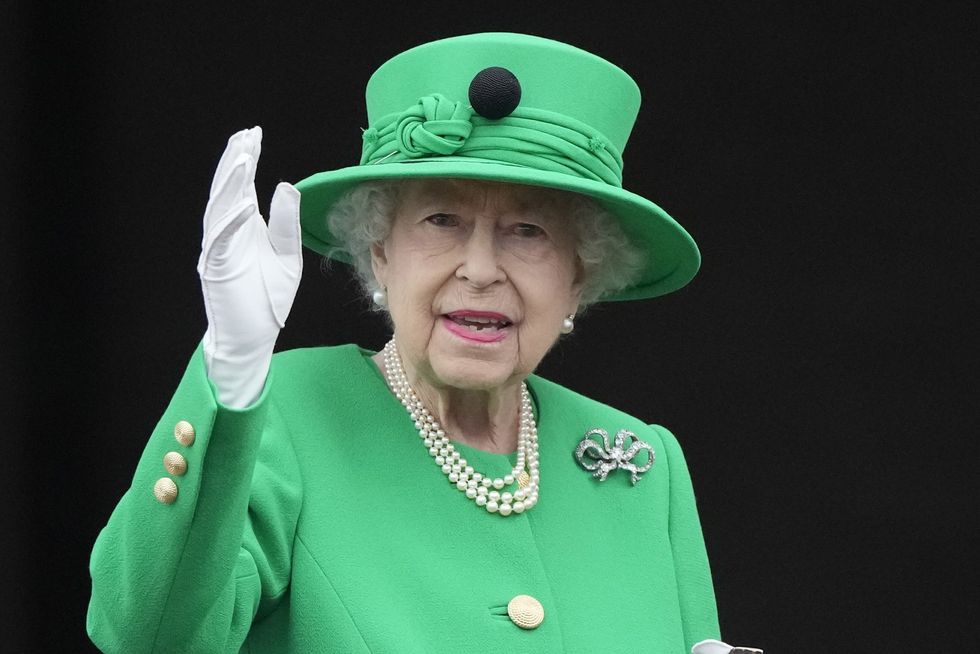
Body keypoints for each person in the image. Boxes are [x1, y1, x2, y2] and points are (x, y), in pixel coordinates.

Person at [87, 32, 760, 653]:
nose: (480, 269)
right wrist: (232, 371)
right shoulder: (284, 416)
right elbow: (150, 637)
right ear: (380, 253)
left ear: (579, 277)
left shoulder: (641, 464)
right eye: (442, 220)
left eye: (528, 231)